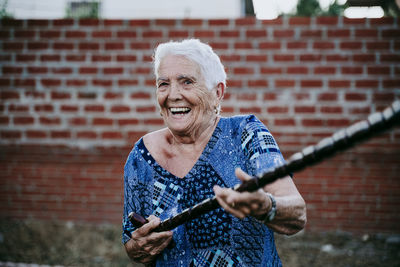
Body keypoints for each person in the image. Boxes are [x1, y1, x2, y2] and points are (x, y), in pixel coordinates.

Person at [122, 39, 306, 267]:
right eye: (163, 84)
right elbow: (132, 245)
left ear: (217, 92)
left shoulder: (246, 133)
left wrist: (266, 206)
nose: (173, 95)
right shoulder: (141, 156)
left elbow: (297, 213)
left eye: (187, 82)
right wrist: (139, 246)